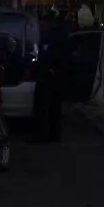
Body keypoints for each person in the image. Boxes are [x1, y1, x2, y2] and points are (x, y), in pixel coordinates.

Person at [31, 11, 70, 143]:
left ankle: (42, 136)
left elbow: (49, 57)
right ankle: (54, 135)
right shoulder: (55, 35)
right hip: (54, 75)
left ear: (50, 23)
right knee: (54, 108)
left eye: (42, 25)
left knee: (43, 107)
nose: (41, 28)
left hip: (50, 76)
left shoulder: (54, 37)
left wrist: (41, 68)